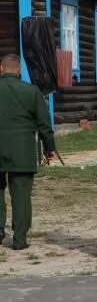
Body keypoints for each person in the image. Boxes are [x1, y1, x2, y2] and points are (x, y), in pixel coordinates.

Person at [0, 54, 56, 250]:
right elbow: (44, 124)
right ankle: (20, 239)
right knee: (21, 196)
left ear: (1, 68)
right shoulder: (31, 92)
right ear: (19, 70)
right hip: (22, 152)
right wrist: (50, 148)